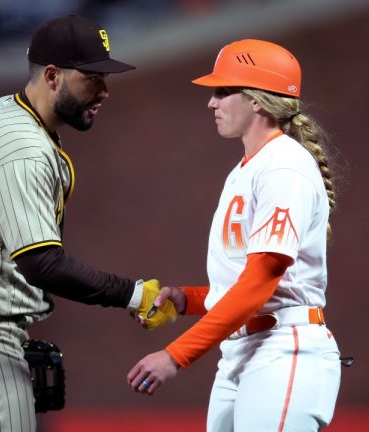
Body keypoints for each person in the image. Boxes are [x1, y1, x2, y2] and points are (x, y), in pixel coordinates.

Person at [0, 15, 174, 432]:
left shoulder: (6, 111)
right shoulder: (23, 149)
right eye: (91, 78)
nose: (104, 91)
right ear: (52, 76)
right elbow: (42, 264)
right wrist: (134, 294)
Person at [127, 39, 342, 431]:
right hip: (245, 350)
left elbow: (260, 282)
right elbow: (246, 283)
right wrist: (186, 298)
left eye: (223, 91)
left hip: (283, 349)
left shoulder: (284, 166)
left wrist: (176, 355)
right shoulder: (247, 168)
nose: (212, 103)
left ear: (258, 100)